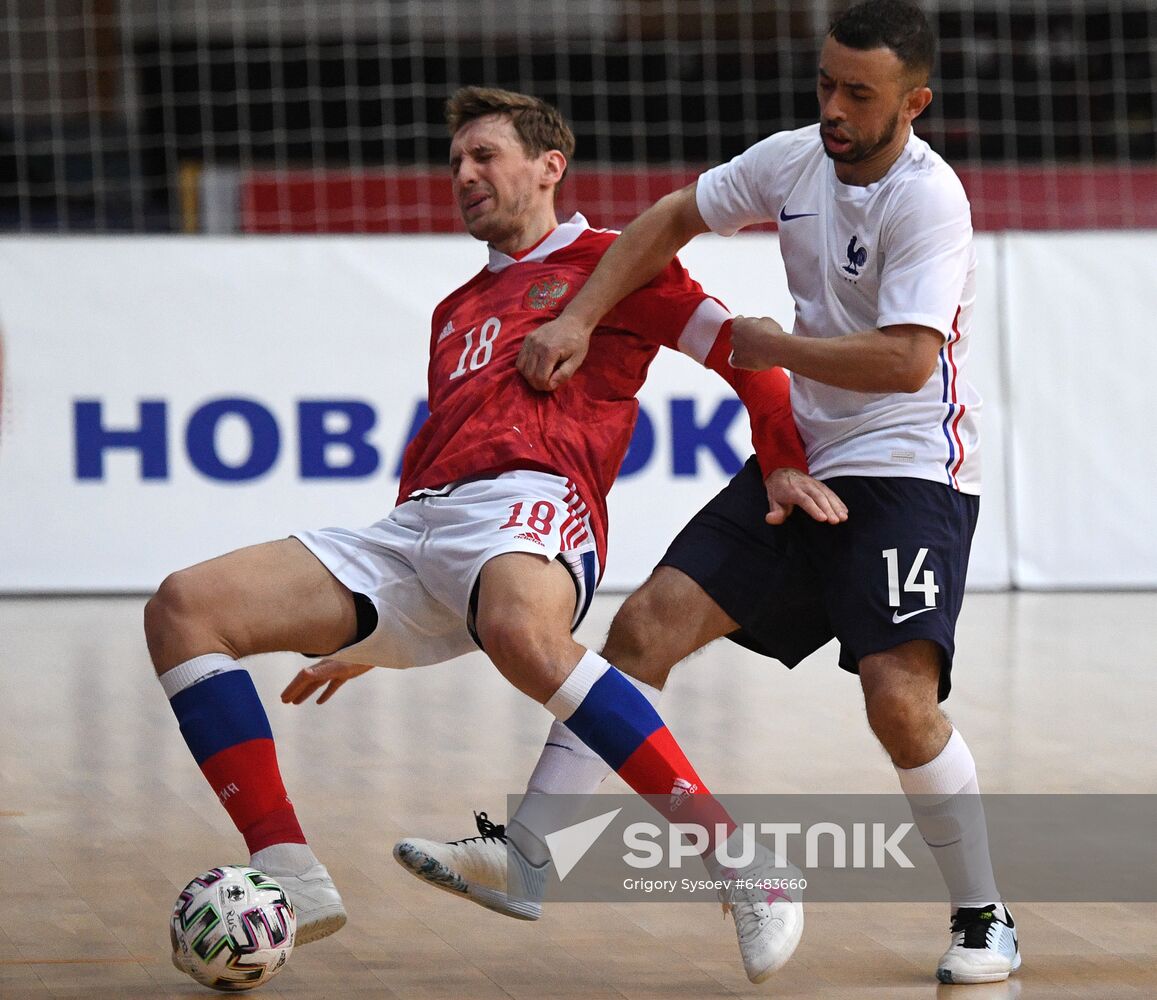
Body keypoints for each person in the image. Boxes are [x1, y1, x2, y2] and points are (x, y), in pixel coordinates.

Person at [335, 0, 1019, 986]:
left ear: (911, 102)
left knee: (895, 698)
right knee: (644, 628)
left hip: (910, 465)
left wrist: (773, 346)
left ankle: (983, 912)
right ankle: (528, 853)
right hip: (808, 455)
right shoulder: (790, 158)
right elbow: (666, 217)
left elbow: (909, 361)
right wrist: (579, 315)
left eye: (855, 93)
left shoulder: (929, 202)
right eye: (824, 82)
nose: (830, 106)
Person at [144, 85, 846, 984]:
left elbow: (750, 360)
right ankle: (291, 870)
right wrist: (372, 628)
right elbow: (437, 450)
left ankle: (743, 865)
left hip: (537, 500)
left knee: (521, 630)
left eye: (484, 156)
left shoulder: (612, 263)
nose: (463, 176)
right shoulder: (453, 309)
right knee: (183, 609)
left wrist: (783, 459)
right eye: (454, 165)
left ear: (551, 165)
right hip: (418, 525)